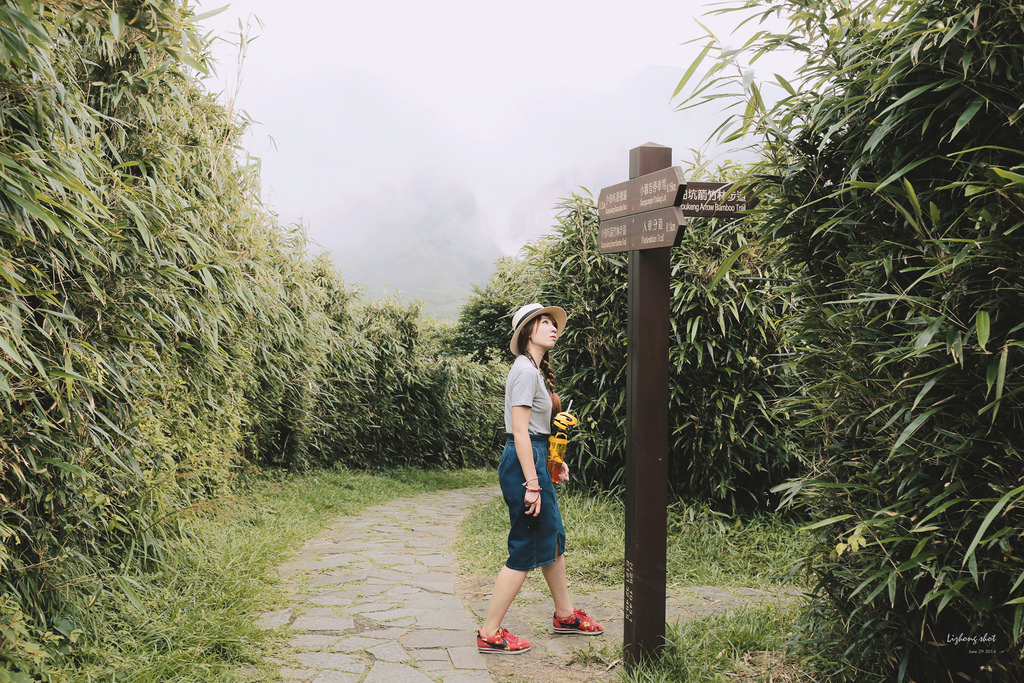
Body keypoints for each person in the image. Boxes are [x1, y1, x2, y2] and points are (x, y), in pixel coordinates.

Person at [476, 303, 604, 655]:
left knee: (553, 537)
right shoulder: (524, 371)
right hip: (522, 462)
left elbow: (536, 432)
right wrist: (532, 483)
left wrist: (552, 463)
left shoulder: (534, 370)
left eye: (553, 323)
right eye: (544, 322)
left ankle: (565, 615)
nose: (553, 327)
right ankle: (489, 632)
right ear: (527, 332)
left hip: (533, 457)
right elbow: (519, 432)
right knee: (526, 543)